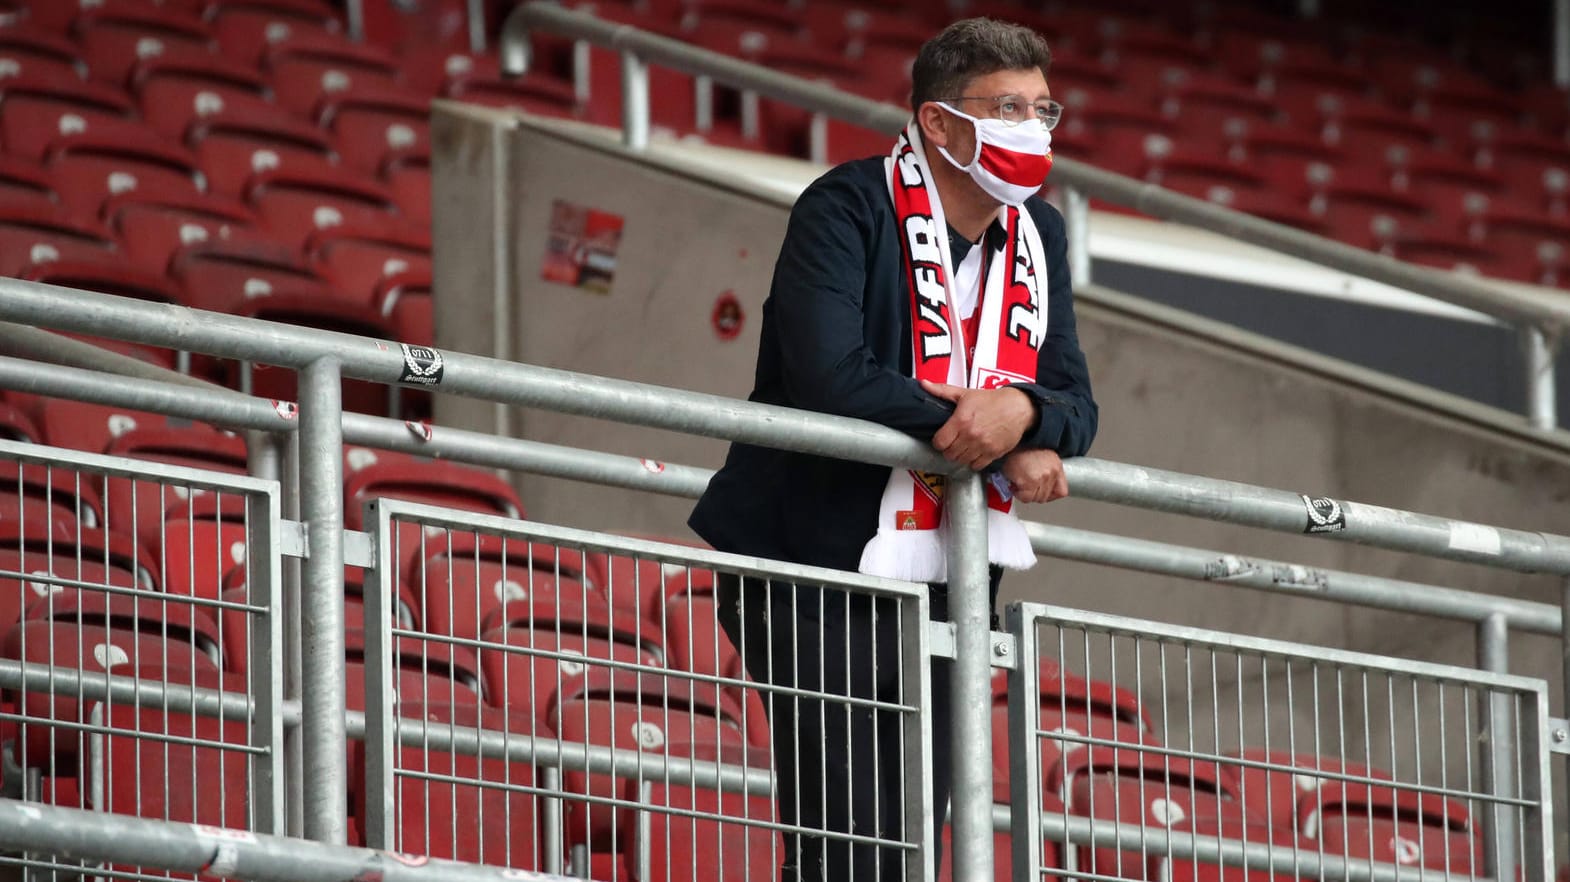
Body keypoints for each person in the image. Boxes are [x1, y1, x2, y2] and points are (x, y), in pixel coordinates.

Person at [688, 17, 1097, 881]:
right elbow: (831, 375)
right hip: (811, 568)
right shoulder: (847, 205)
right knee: (852, 841)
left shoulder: (1042, 235)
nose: (1032, 128)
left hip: (951, 584)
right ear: (939, 123)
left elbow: (1075, 404)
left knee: (914, 837)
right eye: (1007, 107)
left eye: (1043, 109)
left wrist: (1019, 415)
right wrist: (987, 433)